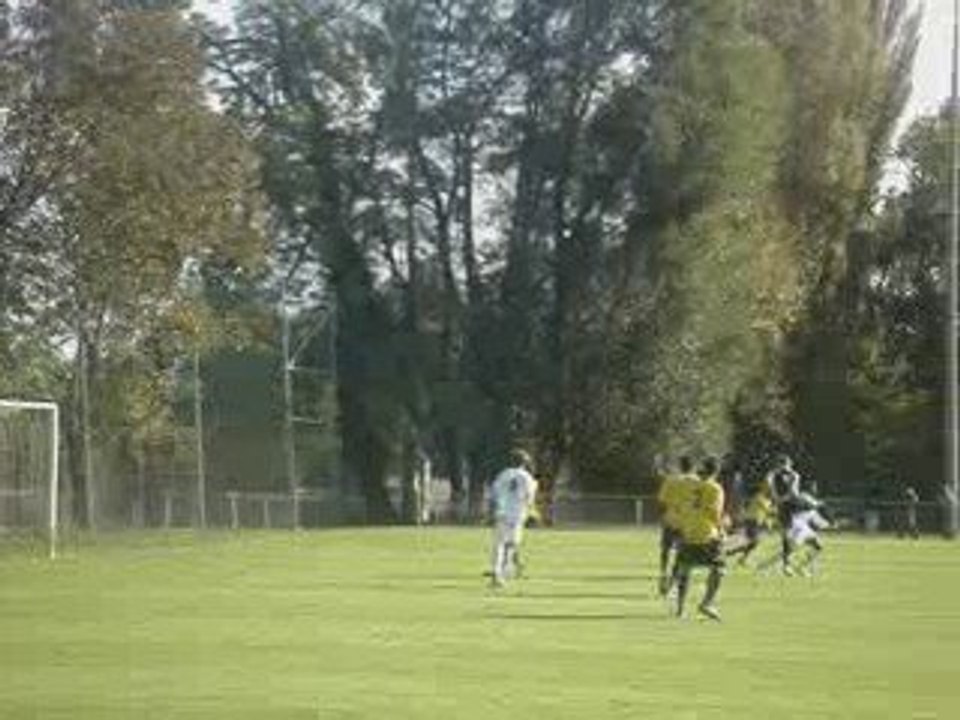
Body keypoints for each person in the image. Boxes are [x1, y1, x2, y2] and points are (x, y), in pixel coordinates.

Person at [673, 456, 726, 621]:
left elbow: (679, 506)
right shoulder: (715, 488)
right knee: (719, 569)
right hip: (707, 533)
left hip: (688, 531)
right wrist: (722, 529)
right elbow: (714, 512)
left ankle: (680, 609)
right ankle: (706, 603)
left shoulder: (687, 485)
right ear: (716, 471)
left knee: (684, 569)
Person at [488, 448, 539, 587]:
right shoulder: (527, 477)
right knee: (511, 544)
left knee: (499, 544)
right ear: (523, 463)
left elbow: (493, 494)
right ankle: (503, 573)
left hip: (502, 513)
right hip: (517, 514)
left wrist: (492, 511)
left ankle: (498, 571)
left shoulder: (503, 474)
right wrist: (532, 512)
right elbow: (529, 497)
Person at [655, 454, 696, 597]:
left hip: (670, 520)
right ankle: (672, 582)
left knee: (665, 550)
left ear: (680, 466)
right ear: (692, 466)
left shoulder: (671, 480)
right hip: (687, 523)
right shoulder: (697, 482)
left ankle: (663, 573)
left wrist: (662, 516)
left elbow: (661, 501)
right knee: (681, 554)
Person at [725, 478, 774, 566]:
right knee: (753, 542)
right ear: (763, 486)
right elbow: (768, 510)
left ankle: (740, 558)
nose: (769, 487)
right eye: (767, 485)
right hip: (752, 521)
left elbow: (765, 511)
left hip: (754, 521)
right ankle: (731, 553)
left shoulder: (762, 496)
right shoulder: (759, 496)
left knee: (753, 542)